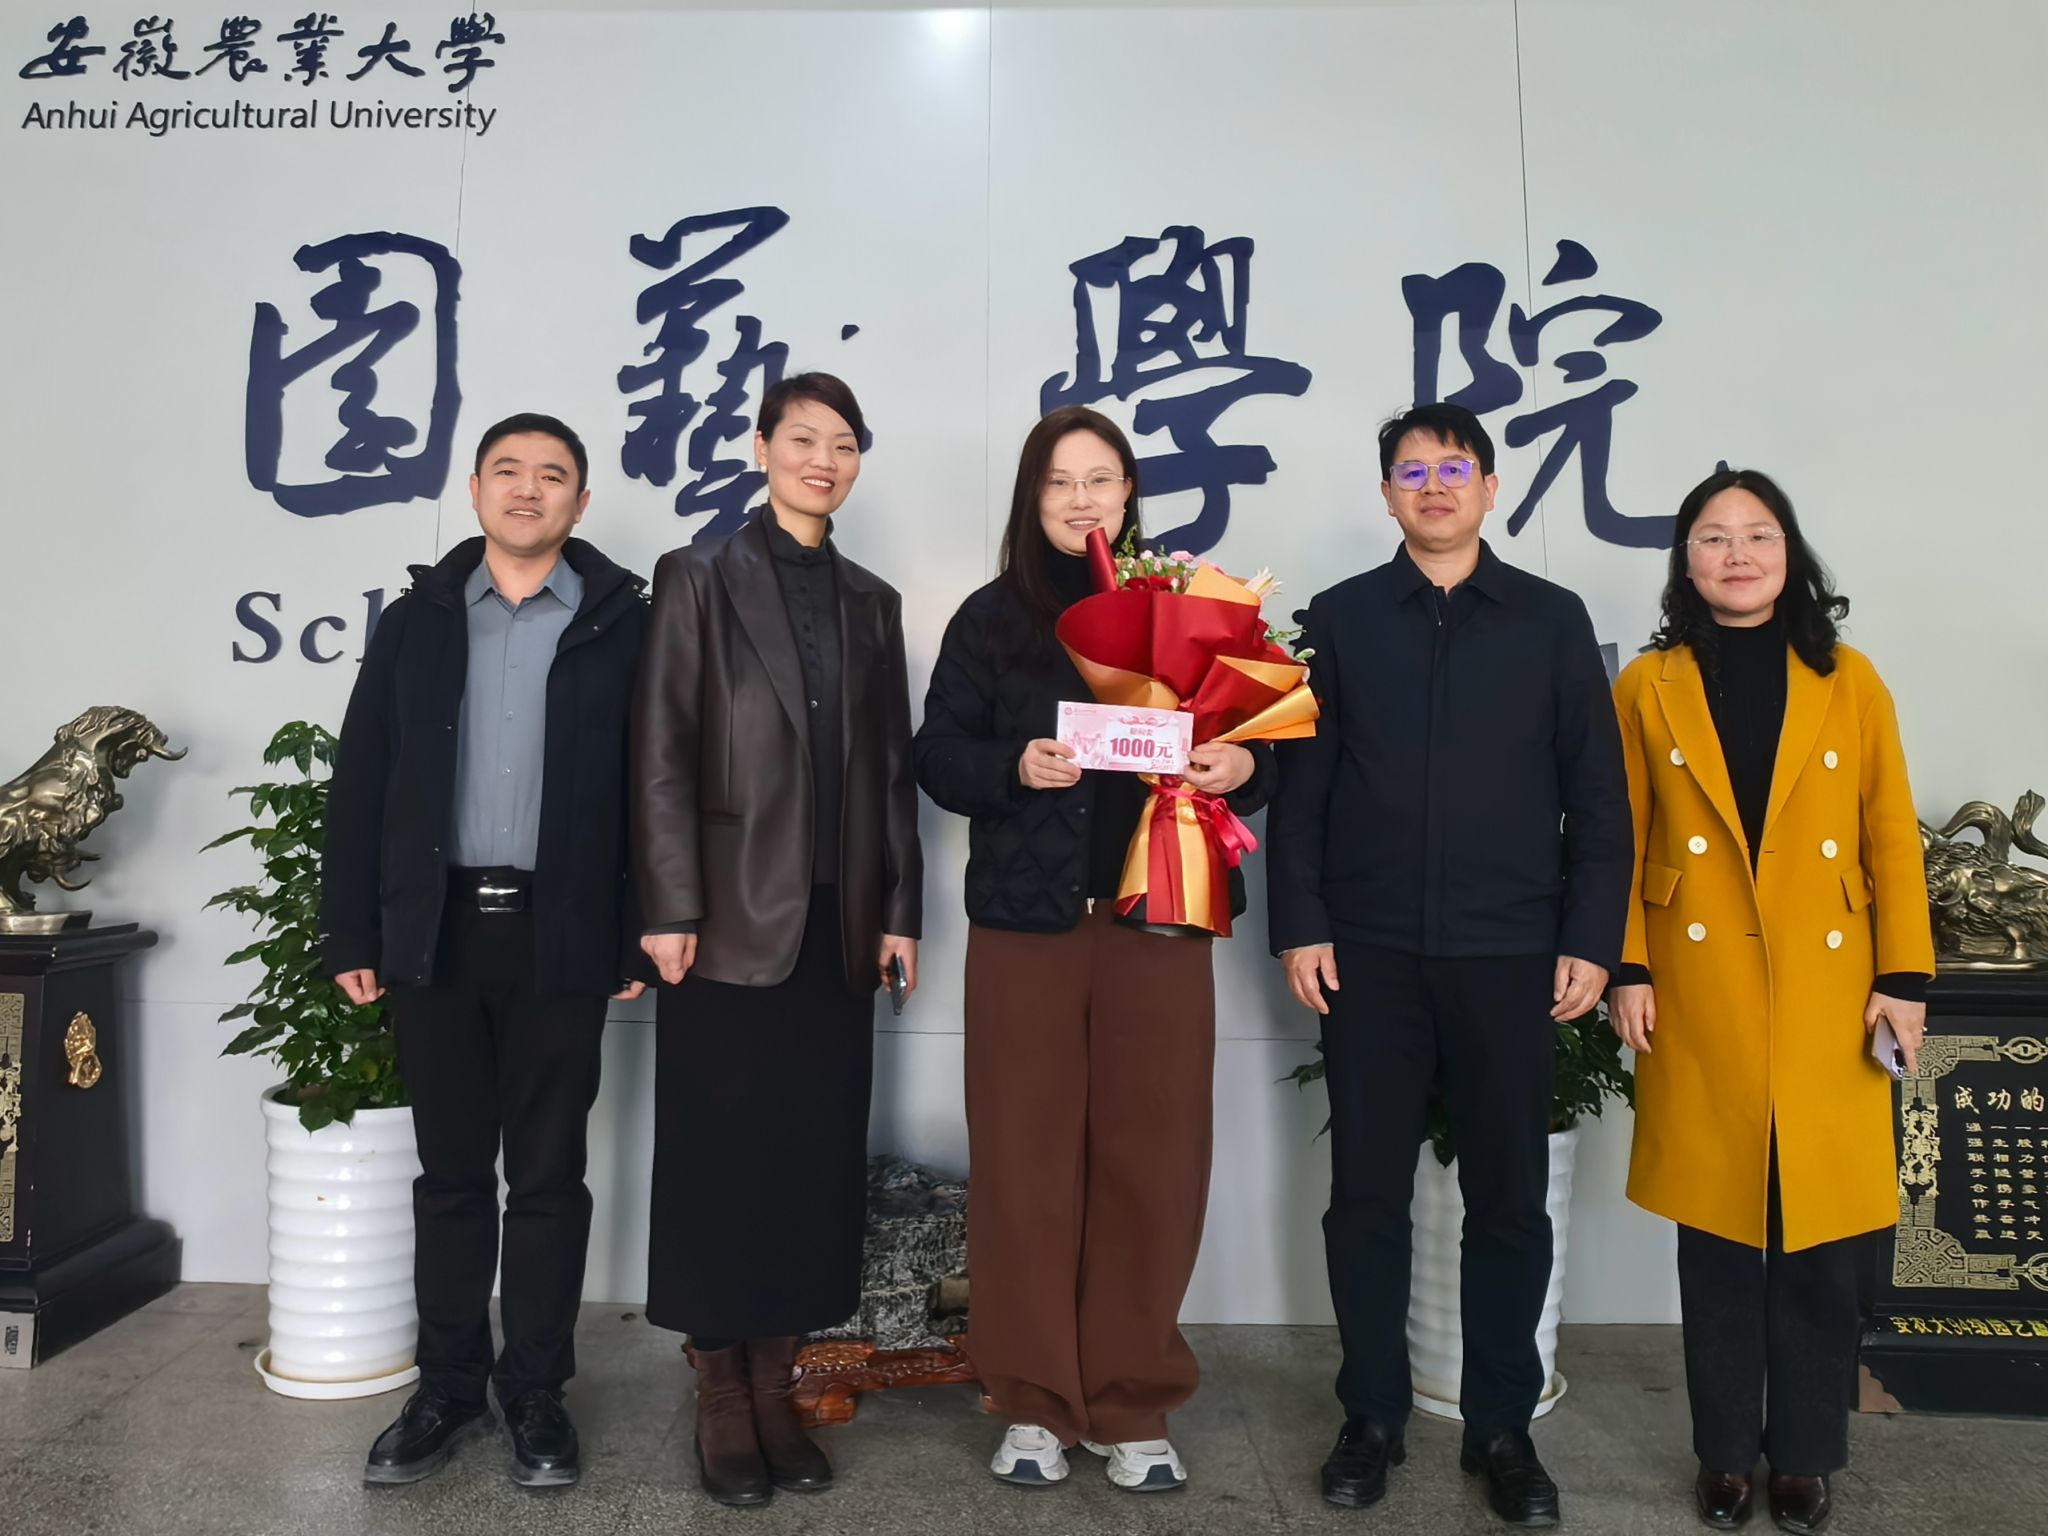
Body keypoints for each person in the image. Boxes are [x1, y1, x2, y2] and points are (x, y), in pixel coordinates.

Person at [1266, 402, 1632, 1526]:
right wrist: (1300, 923)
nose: (1434, 487)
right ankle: (1370, 1418)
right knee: (1365, 1200)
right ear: (1385, 494)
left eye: (1454, 468)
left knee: (1510, 1202)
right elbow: (1302, 794)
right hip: (1368, 954)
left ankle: (1501, 1428)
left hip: (1509, 953)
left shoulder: (1549, 620)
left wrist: (1590, 940)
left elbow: (1599, 801)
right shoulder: (1339, 620)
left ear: (1489, 488)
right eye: (1412, 471)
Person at [914, 405, 1274, 1494]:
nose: (1083, 500)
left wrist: (1240, 768)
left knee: (1152, 1160)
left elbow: (1258, 739)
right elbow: (936, 754)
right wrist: (1012, 767)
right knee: (1022, 1163)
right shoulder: (993, 619)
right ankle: (1030, 1400)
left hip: (1154, 921)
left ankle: (1131, 1398)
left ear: (1128, 494)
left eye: (1102, 480)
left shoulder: (1185, 609)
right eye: (1060, 481)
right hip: (1025, 931)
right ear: (1032, 498)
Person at [323, 412, 650, 1489]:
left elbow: (652, 788)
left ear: (580, 503)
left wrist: (637, 923)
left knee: (549, 1177)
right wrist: (353, 928)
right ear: (473, 491)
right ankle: (449, 1386)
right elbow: (363, 776)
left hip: (563, 932)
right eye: (507, 470)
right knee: (452, 1176)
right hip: (438, 930)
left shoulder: (621, 623)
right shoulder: (418, 622)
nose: (527, 489)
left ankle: (537, 1391)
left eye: (551, 475)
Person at [1609, 467, 1933, 1535]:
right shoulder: (1646, 685)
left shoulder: (1849, 677)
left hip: (1831, 988)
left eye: (1757, 534)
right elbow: (1620, 838)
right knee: (1716, 1236)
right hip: (1696, 985)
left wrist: (1903, 978)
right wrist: (1627, 965)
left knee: (1818, 1243)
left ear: (1789, 555)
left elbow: (1889, 830)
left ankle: (1803, 1455)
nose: (1736, 554)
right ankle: (1722, 1456)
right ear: (1684, 561)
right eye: (1712, 536)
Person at [631, 372, 922, 1507]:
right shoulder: (698, 575)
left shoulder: (872, 601)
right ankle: (720, 1392)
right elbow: (661, 746)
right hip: (723, 921)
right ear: (761, 448)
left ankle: (776, 1384)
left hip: (838, 925)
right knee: (720, 1160)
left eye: (843, 444)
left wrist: (898, 910)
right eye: (803, 438)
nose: (822, 460)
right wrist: (667, 904)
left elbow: (891, 772)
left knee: (807, 1160)